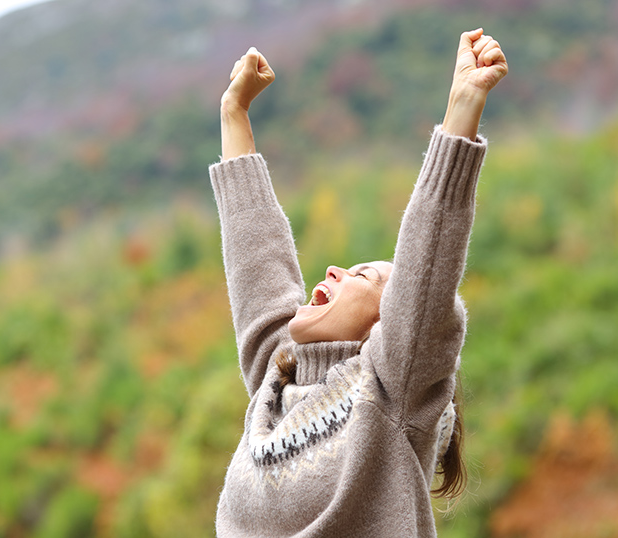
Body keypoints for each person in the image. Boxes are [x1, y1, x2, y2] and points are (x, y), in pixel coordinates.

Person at [207, 29, 508, 537]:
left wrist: (463, 105)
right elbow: (256, 256)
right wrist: (234, 114)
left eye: (361, 275)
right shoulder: (275, 383)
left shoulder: (391, 392)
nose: (333, 271)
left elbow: (426, 272)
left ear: (386, 327)